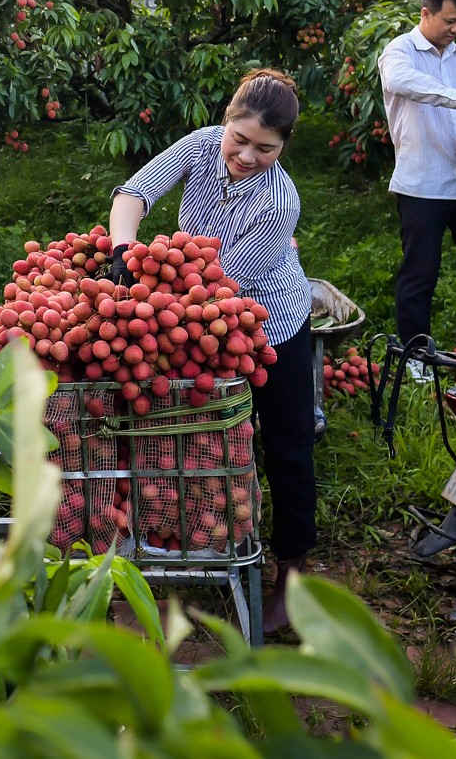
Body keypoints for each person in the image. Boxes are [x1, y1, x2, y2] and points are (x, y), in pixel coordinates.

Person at [107, 68, 314, 635]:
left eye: (265, 149)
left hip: (268, 318)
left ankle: (291, 577)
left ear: (284, 146)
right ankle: (185, 529)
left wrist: (151, 298)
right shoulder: (200, 147)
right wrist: (126, 250)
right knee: (199, 434)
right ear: (226, 122)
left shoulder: (278, 200)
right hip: (198, 313)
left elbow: (221, 286)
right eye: (239, 140)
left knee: (288, 448)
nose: (246, 156)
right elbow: (134, 194)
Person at [376, 0, 456, 351]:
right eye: (450, 21)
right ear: (425, 13)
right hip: (423, 183)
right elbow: (403, 82)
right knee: (420, 274)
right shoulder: (399, 53)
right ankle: (415, 354)